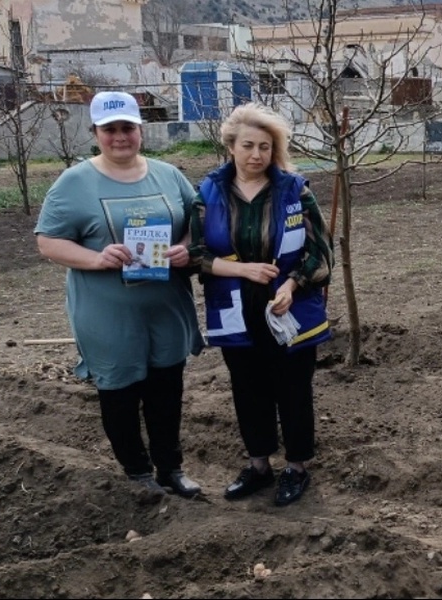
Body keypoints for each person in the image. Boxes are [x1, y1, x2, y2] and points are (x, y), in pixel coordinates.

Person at [35, 91, 204, 498]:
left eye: (128, 127)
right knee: (121, 392)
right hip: (108, 312)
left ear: (140, 130)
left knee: (167, 390)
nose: (120, 137)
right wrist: (96, 258)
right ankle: (137, 473)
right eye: (109, 129)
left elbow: (196, 219)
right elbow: (48, 242)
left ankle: (170, 468)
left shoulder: (168, 175)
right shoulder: (74, 183)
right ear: (95, 132)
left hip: (164, 307)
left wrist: (184, 246)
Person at [190, 102, 333, 507]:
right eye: (248, 145)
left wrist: (292, 284)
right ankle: (258, 466)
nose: (257, 155)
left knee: (293, 391)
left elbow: (320, 252)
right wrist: (245, 271)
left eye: (265, 147)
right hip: (235, 312)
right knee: (247, 389)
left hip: (290, 311)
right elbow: (196, 254)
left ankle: (297, 467)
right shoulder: (208, 193)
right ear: (231, 147)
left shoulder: (294, 190)